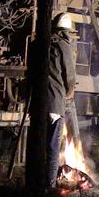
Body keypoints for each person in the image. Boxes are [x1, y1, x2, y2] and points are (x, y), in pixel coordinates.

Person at [30, 12, 76, 187]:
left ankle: (34, 182)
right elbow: (69, 76)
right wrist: (69, 93)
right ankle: (49, 186)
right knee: (52, 148)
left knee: (37, 145)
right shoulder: (63, 46)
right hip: (55, 104)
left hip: (37, 104)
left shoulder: (37, 45)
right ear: (66, 31)